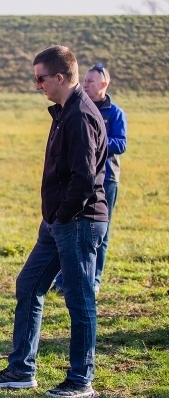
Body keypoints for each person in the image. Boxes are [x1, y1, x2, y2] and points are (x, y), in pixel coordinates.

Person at [0, 45, 108, 398]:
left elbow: (84, 179)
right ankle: (22, 369)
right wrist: (54, 218)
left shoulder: (80, 115)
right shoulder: (65, 112)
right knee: (28, 285)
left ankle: (81, 380)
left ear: (60, 77)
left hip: (78, 221)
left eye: (40, 78)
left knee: (79, 300)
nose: (37, 84)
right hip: (58, 222)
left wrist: (63, 216)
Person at [52, 63, 126, 296]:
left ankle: (93, 279)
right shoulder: (77, 109)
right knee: (69, 229)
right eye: (84, 80)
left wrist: (94, 142)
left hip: (106, 179)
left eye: (91, 81)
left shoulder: (115, 113)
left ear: (104, 84)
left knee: (97, 233)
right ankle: (64, 278)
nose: (85, 84)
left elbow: (121, 143)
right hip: (77, 178)